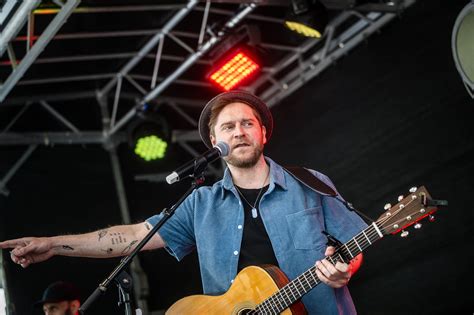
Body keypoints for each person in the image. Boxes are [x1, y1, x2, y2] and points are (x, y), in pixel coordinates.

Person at [0, 91, 367, 314]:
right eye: (228, 127)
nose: (238, 131)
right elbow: (131, 237)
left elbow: (356, 242)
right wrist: (54, 245)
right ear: (213, 140)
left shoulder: (310, 183)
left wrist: (344, 271)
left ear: (263, 132)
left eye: (247, 124)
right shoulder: (199, 203)